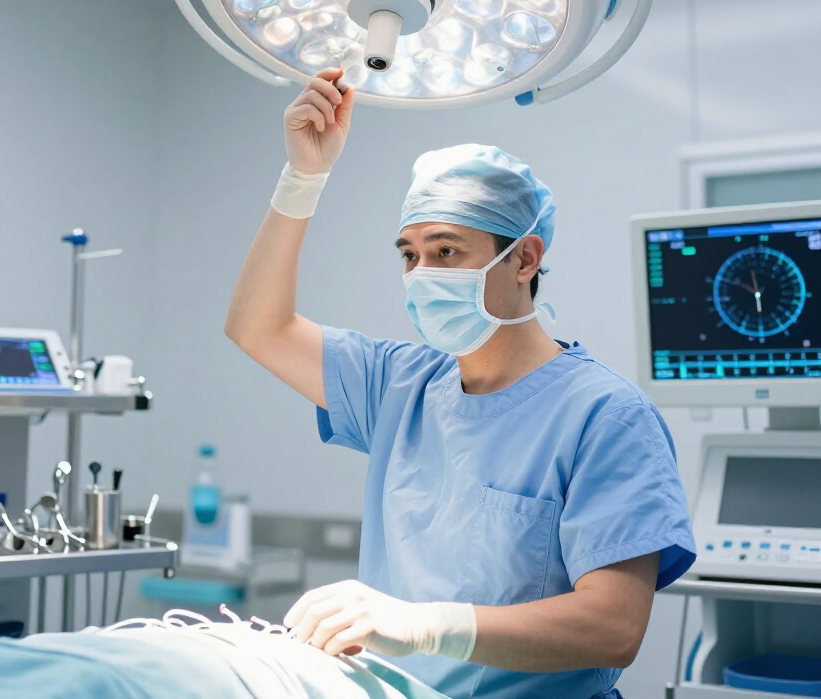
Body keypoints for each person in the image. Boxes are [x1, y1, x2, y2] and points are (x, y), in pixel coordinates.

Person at [225, 67, 696, 699]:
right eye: (409, 254)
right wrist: (304, 175)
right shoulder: (400, 383)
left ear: (524, 259)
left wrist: (426, 627)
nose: (421, 274)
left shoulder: (605, 416)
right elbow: (258, 326)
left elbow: (613, 626)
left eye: (446, 251)